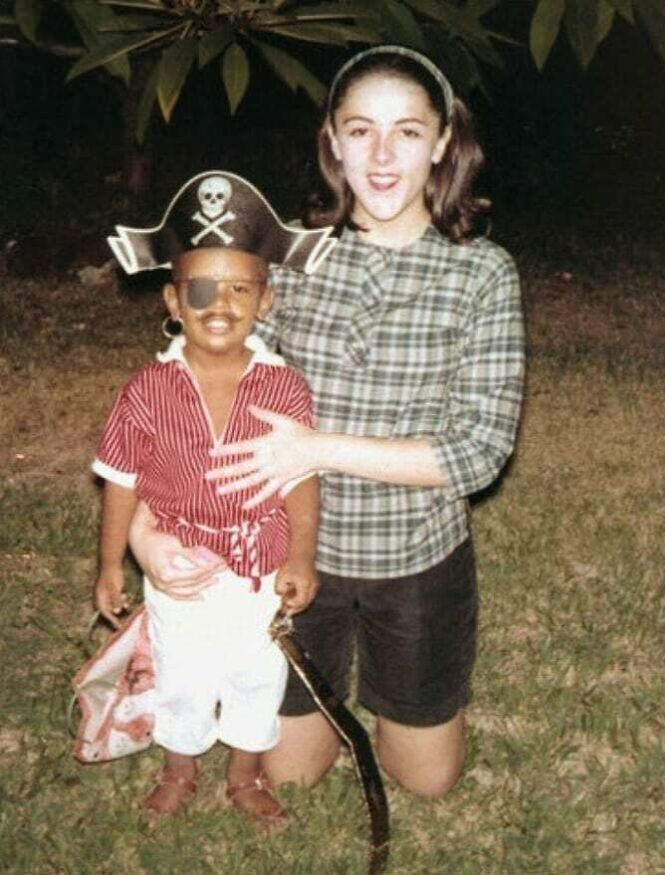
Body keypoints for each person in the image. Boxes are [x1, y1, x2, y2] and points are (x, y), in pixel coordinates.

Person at [130, 46, 525, 800]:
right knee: (293, 772)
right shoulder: (287, 263)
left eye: (407, 133)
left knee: (427, 781)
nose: (381, 155)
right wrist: (149, 530)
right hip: (286, 560)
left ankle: (407, 695)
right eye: (360, 130)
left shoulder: (483, 273)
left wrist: (315, 448)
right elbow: (185, 401)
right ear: (333, 141)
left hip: (415, 558)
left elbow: (478, 453)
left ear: (442, 144)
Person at [80, 172, 337, 826]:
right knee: (185, 674)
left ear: (266, 300)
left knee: (257, 675)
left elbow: (302, 480)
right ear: (172, 300)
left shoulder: (285, 388)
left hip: (260, 570)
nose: (218, 304)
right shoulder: (146, 390)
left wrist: (301, 555)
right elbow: (121, 479)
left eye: (239, 289)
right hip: (181, 572)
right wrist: (113, 564)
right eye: (199, 289)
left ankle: (245, 776)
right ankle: (179, 769)